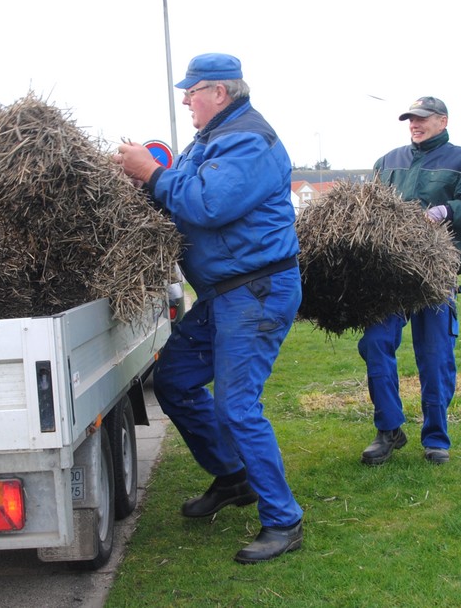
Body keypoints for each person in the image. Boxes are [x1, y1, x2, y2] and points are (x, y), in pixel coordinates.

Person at [113, 53, 303, 564]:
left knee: (237, 406)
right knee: (174, 381)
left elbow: (206, 205)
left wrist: (152, 171)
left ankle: (284, 520)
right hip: (225, 292)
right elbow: (181, 199)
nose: (184, 99)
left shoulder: (248, 141)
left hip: (256, 290)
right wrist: (143, 185)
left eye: (191, 90)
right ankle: (232, 476)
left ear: (219, 92)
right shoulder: (211, 140)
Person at [359, 96, 461, 466]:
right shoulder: (387, 163)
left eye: (422, 119)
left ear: (443, 120)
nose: (414, 125)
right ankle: (388, 429)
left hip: (436, 278)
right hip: (391, 277)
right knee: (375, 343)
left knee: (435, 357)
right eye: (410, 120)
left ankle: (436, 438)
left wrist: (447, 210)